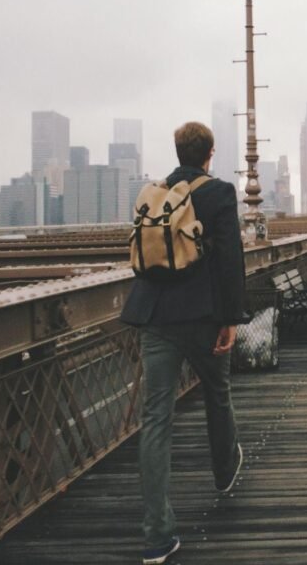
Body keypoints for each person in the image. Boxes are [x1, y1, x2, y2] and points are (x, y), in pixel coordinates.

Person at [121, 121, 249, 565]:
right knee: (218, 392)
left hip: (154, 315)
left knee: (156, 419)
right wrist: (232, 318)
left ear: (178, 152)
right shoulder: (219, 193)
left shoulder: (155, 192)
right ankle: (224, 472)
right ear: (210, 152)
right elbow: (231, 258)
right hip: (203, 314)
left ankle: (156, 536)